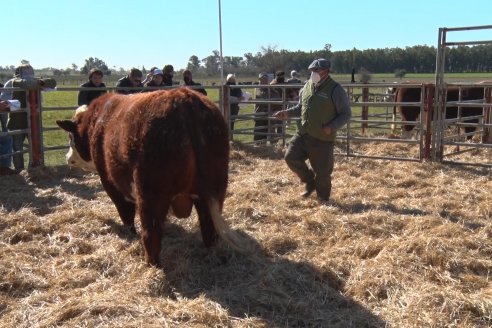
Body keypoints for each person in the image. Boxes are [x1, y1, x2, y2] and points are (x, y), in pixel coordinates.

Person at [274, 58, 351, 202]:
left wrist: (331, 126)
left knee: (322, 173)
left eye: (317, 70)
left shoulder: (335, 90)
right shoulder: (306, 87)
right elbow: (299, 108)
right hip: (303, 134)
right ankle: (309, 182)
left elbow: (346, 114)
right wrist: (287, 113)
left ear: (326, 71)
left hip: (322, 137)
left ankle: (323, 200)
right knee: (290, 157)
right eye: (312, 70)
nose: (313, 73)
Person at [0, 64, 57, 171]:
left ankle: (35, 168)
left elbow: (53, 82)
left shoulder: (36, 81)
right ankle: (19, 171)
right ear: (19, 72)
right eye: (26, 71)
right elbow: (27, 84)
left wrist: (40, 82)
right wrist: (40, 83)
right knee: (17, 149)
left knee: (36, 146)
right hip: (16, 122)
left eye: (30, 71)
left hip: (33, 120)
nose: (29, 73)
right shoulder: (13, 82)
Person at [253, 72, 271, 143]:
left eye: (264, 79)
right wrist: (254, 111)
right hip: (258, 112)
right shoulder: (257, 88)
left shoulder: (270, 88)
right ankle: (257, 145)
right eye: (261, 79)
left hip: (267, 112)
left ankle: (263, 144)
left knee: (264, 131)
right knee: (257, 131)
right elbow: (256, 101)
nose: (262, 81)